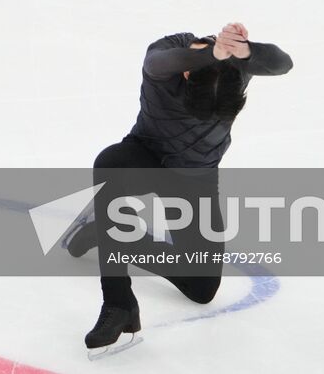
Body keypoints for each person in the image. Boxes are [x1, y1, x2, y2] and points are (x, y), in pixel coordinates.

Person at [66, 22, 293, 358]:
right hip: (146, 158)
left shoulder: (235, 66)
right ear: (186, 76)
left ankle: (103, 230)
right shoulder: (167, 57)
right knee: (110, 162)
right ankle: (118, 303)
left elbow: (283, 63)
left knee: (201, 288)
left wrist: (245, 51)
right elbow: (160, 62)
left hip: (195, 179)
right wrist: (211, 55)